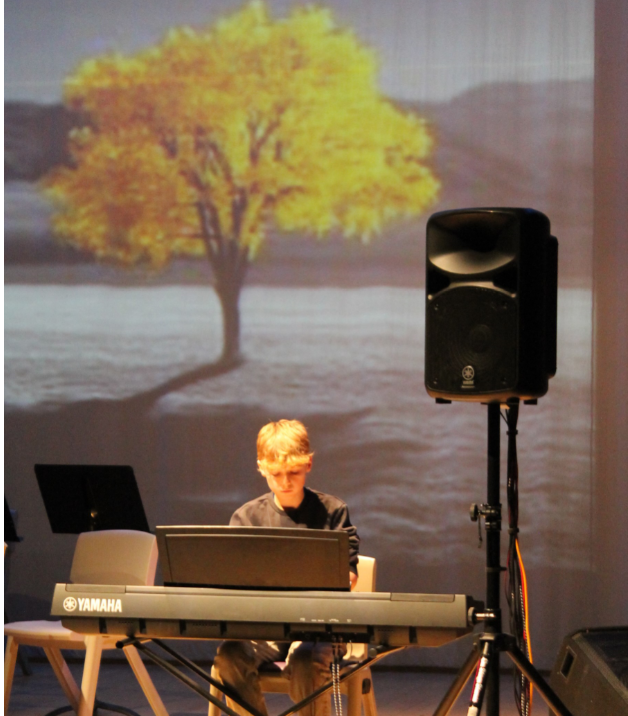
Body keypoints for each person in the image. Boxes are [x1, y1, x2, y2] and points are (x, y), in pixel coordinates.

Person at [214, 419, 360, 716]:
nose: (284, 482)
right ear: (261, 468)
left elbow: (349, 576)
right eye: (275, 474)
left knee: (306, 661)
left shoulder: (333, 511)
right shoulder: (246, 517)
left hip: (319, 627)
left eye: (293, 472)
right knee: (230, 654)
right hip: (264, 627)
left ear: (308, 464)